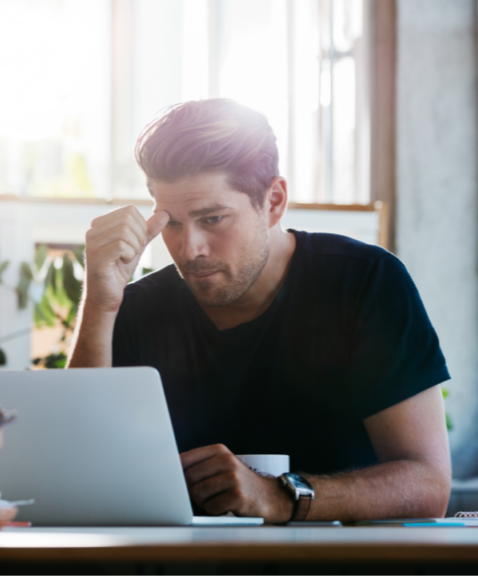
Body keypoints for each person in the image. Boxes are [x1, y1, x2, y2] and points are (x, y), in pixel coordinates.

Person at [68, 99, 452, 523]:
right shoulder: (136, 308)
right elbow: (76, 473)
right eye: (172, 223)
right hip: (181, 558)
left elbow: (428, 484)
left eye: (213, 219)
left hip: (335, 557)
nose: (189, 250)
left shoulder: (363, 282)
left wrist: (279, 496)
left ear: (273, 201)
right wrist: (100, 303)